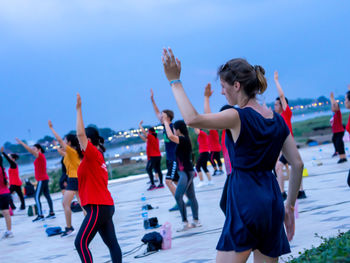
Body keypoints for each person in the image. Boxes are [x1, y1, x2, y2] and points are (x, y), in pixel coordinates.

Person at [161, 48, 303, 262]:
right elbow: (298, 164)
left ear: (237, 86)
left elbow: (192, 119)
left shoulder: (237, 116)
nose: (222, 92)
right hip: (272, 201)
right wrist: (289, 206)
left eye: (223, 87)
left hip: (245, 201)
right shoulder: (277, 119)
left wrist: (174, 81)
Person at [74, 94, 122, 263]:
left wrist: (78, 109)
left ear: (88, 140)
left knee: (80, 243)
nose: (79, 144)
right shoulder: (94, 157)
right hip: (102, 206)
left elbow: (80, 134)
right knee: (112, 244)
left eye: (82, 141)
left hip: (98, 207)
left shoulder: (93, 153)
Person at [163, 117, 201, 232]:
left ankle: (186, 223)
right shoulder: (185, 139)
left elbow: (170, 136)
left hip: (185, 173)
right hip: (187, 172)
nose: (173, 131)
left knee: (178, 196)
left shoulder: (183, 139)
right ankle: (196, 221)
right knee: (191, 197)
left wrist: (165, 122)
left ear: (178, 130)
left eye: (174, 129)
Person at [274, 71, 307, 199]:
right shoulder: (277, 118)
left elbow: (281, 95)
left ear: (282, 105)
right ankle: (300, 191)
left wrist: (276, 80)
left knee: (280, 167)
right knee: (294, 167)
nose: (275, 106)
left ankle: (283, 193)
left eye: (277, 104)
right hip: (284, 147)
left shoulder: (286, 113)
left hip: (289, 145)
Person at [48, 120, 83, 237]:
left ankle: (69, 228)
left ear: (69, 142)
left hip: (74, 179)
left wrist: (52, 129)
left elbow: (60, 142)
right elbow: (61, 150)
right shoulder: (70, 153)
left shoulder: (72, 152)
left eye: (65, 140)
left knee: (65, 203)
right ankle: (92, 224)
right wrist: (58, 145)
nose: (64, 141)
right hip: (74, 179)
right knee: (82, 204)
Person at [150, 89, 180, 211]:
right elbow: (157, 112)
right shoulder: (164, 126)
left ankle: (179, 202)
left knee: (168, 182)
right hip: (169, 159)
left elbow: (177, 139)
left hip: (174, 159)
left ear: (167, 117)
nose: (160, 117)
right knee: (177, 181)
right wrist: (152, 100)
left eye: (163, 116)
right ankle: (188, 199)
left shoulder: (173, 127)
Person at [16, 138, 55, 222]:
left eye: (34, 149)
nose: (33, 150)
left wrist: (22, 143)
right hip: (44, 179)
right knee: (47, 196)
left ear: (39, 150)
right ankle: (51, 213)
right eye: (33, 149)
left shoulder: (40, 155)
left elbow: (29, 150)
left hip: (42, 180)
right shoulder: (40, 157)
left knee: (36, 197)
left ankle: (40, 215)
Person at [138, 120, 164, 190]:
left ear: (149, 132)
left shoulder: (151, 137)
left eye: (148, 132)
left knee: (148, 169)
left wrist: (140, 125)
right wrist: (140, 135)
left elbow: (144, 133)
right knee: (158, 170)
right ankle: (161, 183)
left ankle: (153, 184)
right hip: (157, 156)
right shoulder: (154, 138)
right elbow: (145, 139)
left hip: (153, 157)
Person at [330, 92, 347, 164]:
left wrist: (332, 99)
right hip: (335, 132)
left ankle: (343, 158)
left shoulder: (338, 113)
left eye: (334, 106)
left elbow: (335, 105)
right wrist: (332, 100)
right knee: (336, 143)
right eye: (332, 106)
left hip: (339, 131)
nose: (333, 107)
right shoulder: (334, 114)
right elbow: (333, 105)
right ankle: (341, 156)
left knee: (339, 144)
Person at [0, 154, 13, 239]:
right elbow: (7, 182)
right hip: (6, 193)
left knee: (5, 213)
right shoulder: (2, 169)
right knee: (6, 213)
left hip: (1, 194)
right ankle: (9, 231)